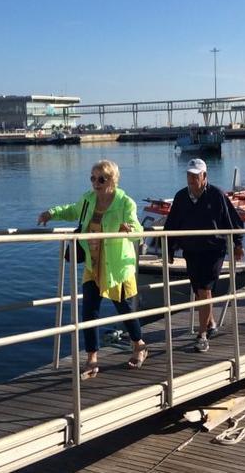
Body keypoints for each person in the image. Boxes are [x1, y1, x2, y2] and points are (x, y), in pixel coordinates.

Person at [38, 160, 146, 378]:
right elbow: (72, 211)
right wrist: (51, 213)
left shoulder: (125, 203)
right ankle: (92, 359)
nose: (96, 183)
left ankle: (139, 345)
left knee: (123, 308)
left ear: (113, 180)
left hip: (115, 265)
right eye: (93, 178)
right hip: (92, 264)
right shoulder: (88, 199)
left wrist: (129, 229)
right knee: (89, 311)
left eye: (101, 179)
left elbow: (138, 232)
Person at [164, 158, 244, 352]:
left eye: (195, 175)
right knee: (198, 289)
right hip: (191, 250)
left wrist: (238, 243)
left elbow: (232, 220)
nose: (191, 179)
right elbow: (172, 224)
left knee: (204, 289)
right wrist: (169, 250)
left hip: (213, 249)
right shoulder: (181, 197)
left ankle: (202, 335)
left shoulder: (216, 195)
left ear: (204, 176)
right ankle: (211, 323)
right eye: (189, 175)